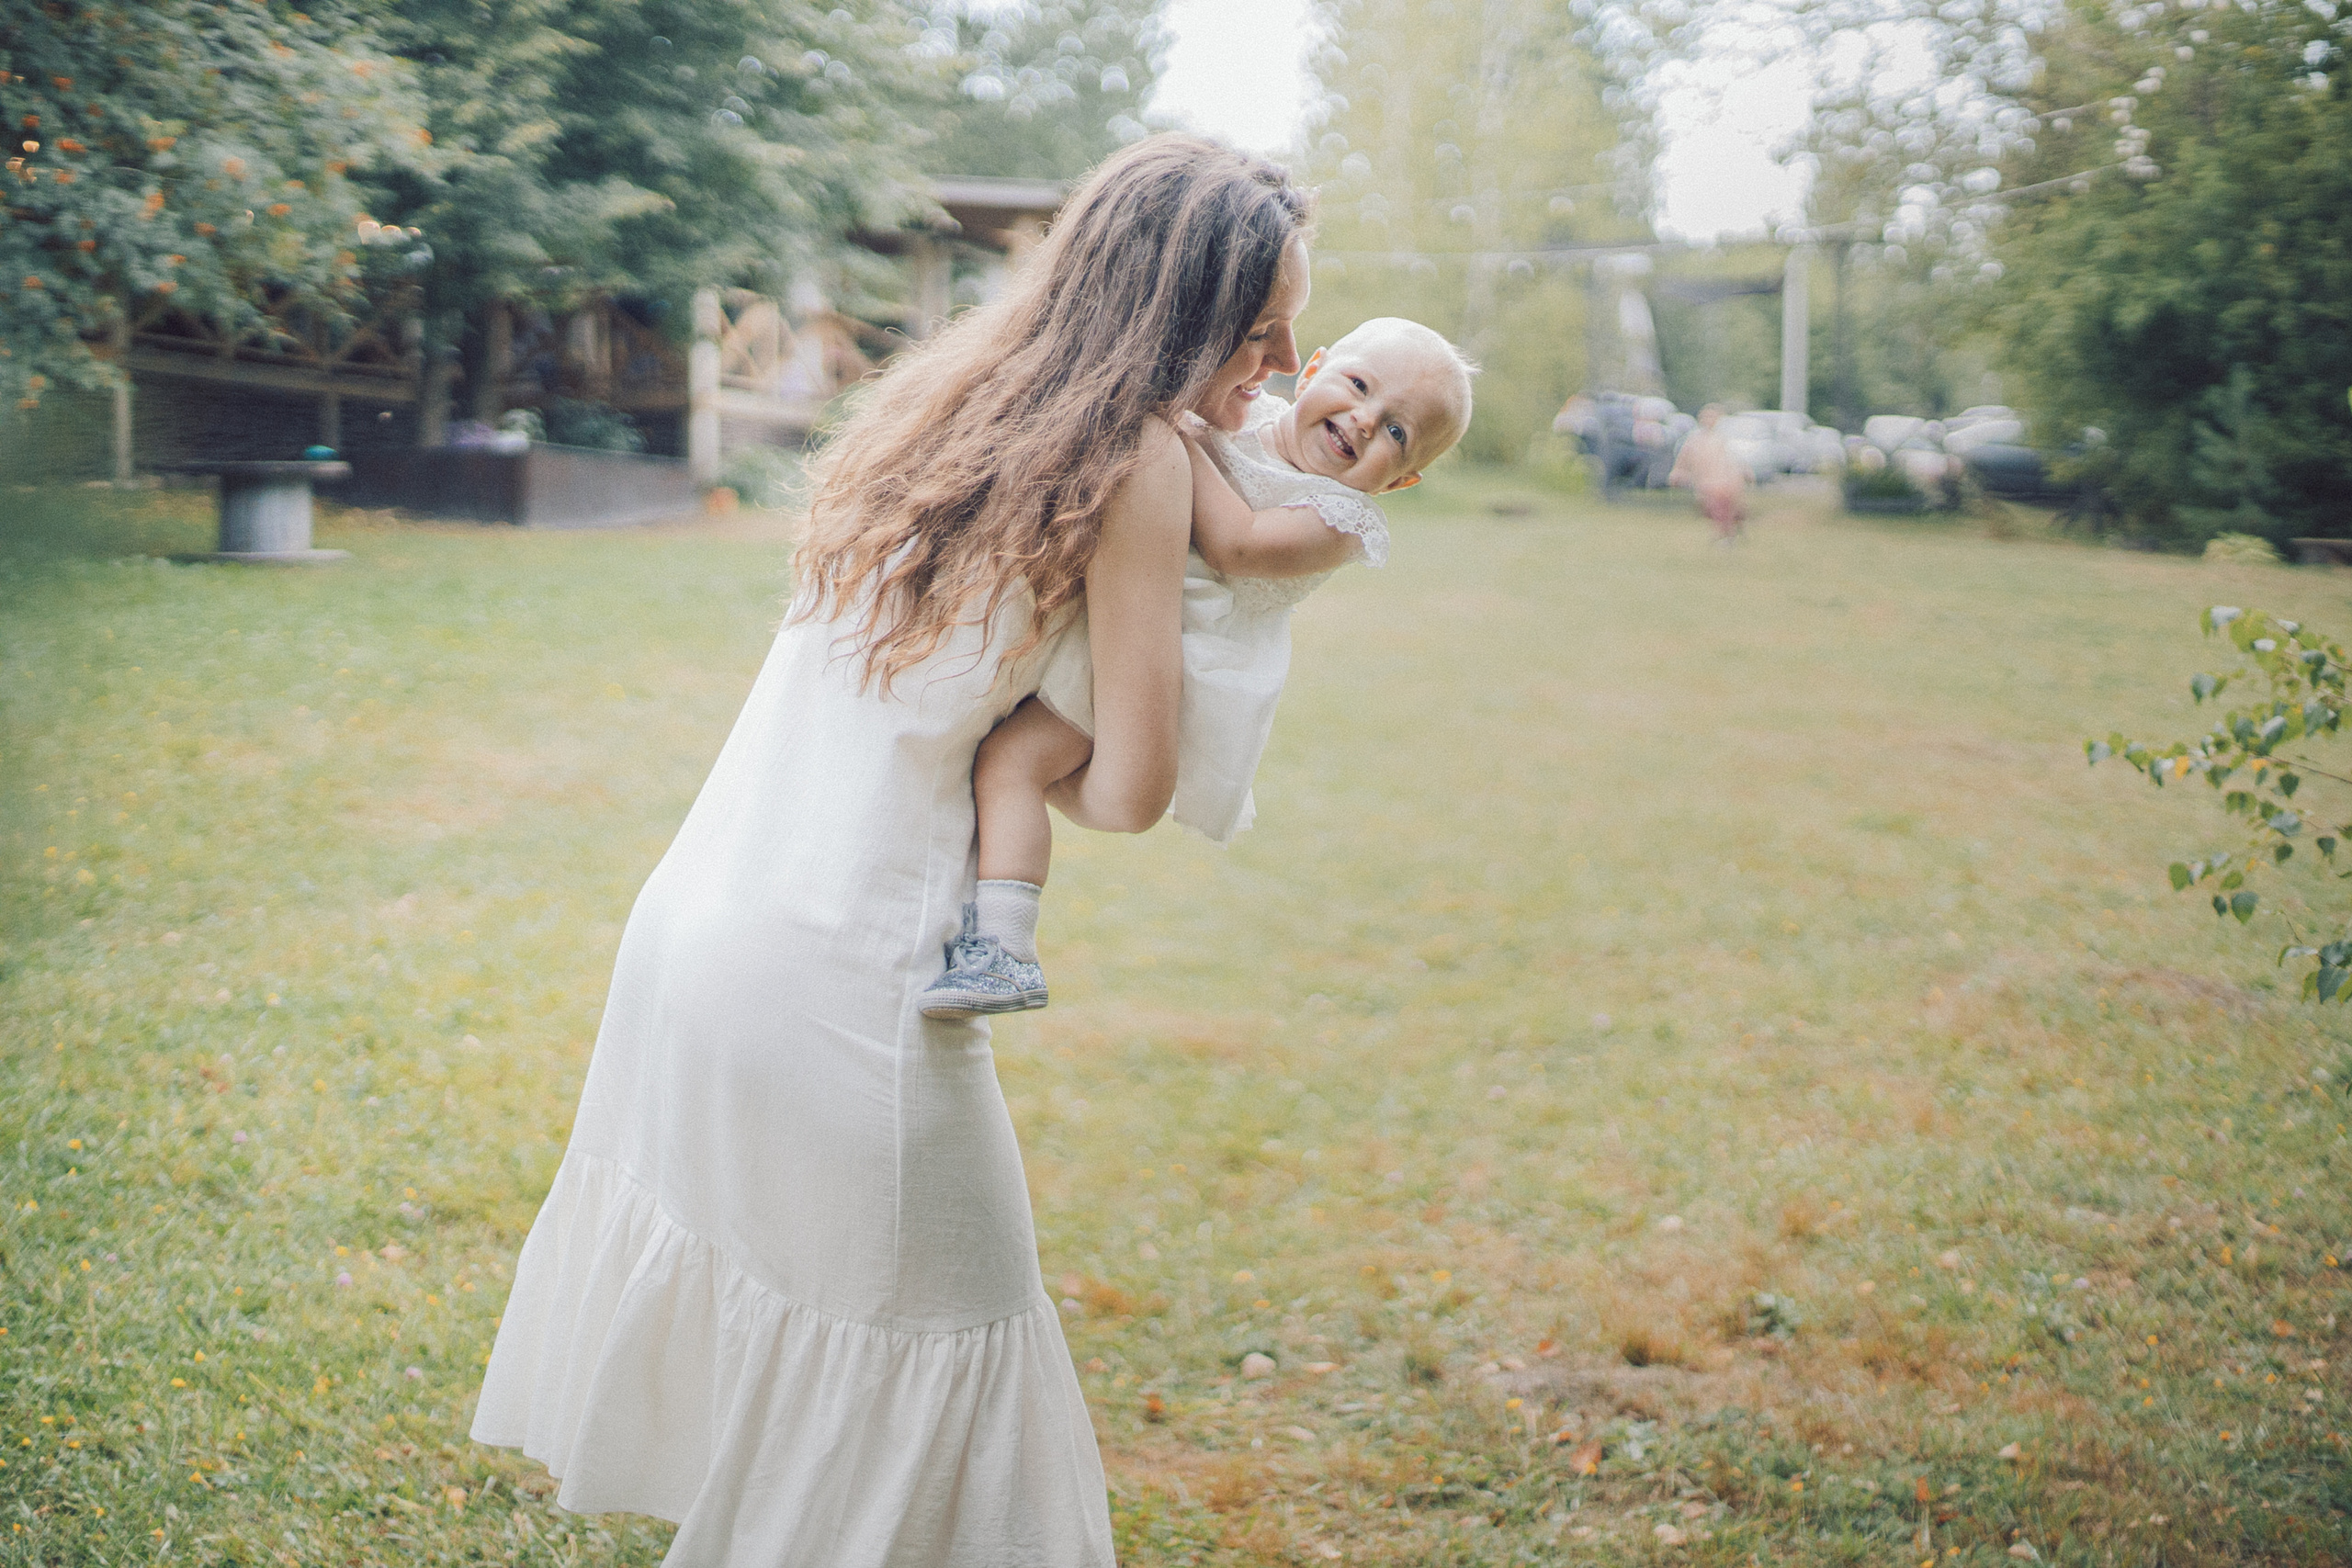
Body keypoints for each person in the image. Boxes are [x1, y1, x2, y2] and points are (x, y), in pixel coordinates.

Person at [469, 134, 1313, 1567]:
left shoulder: (957, 395)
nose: (1284, 364)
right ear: (1181, 318)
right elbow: (1136, 791)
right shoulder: (1146, 460)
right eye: (1261, 328)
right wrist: (1035, 748)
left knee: (839, 1407)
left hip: (699, 938)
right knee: (942, 1369)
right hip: (841, 988)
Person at [919, 317, 1474, 1019]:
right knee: (1008, 752)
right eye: (1360, 386)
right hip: (1124, 617)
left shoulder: (1337, 518)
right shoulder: (1247, 417)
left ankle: (1004, 949)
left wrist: (1171, 431)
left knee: (1011, 762)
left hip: (1164, 662)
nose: (1365, 420)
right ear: (1314, 369)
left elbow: (1235, 544)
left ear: (1401, 481)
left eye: (1397, 432)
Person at [1668, 402, 1750, 543]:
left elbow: (1734, 460)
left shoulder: (1722, 438)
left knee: (1727, 508)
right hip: (1706, 481)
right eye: (1705, 417)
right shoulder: (1695, 439)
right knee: (1711, 508)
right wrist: (1678, 472)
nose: (1708, 420)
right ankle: (1723, 534)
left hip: (1725, 480)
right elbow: (1684, 457)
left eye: (1712, 417)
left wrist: (1742, 473)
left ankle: (1727, 535)